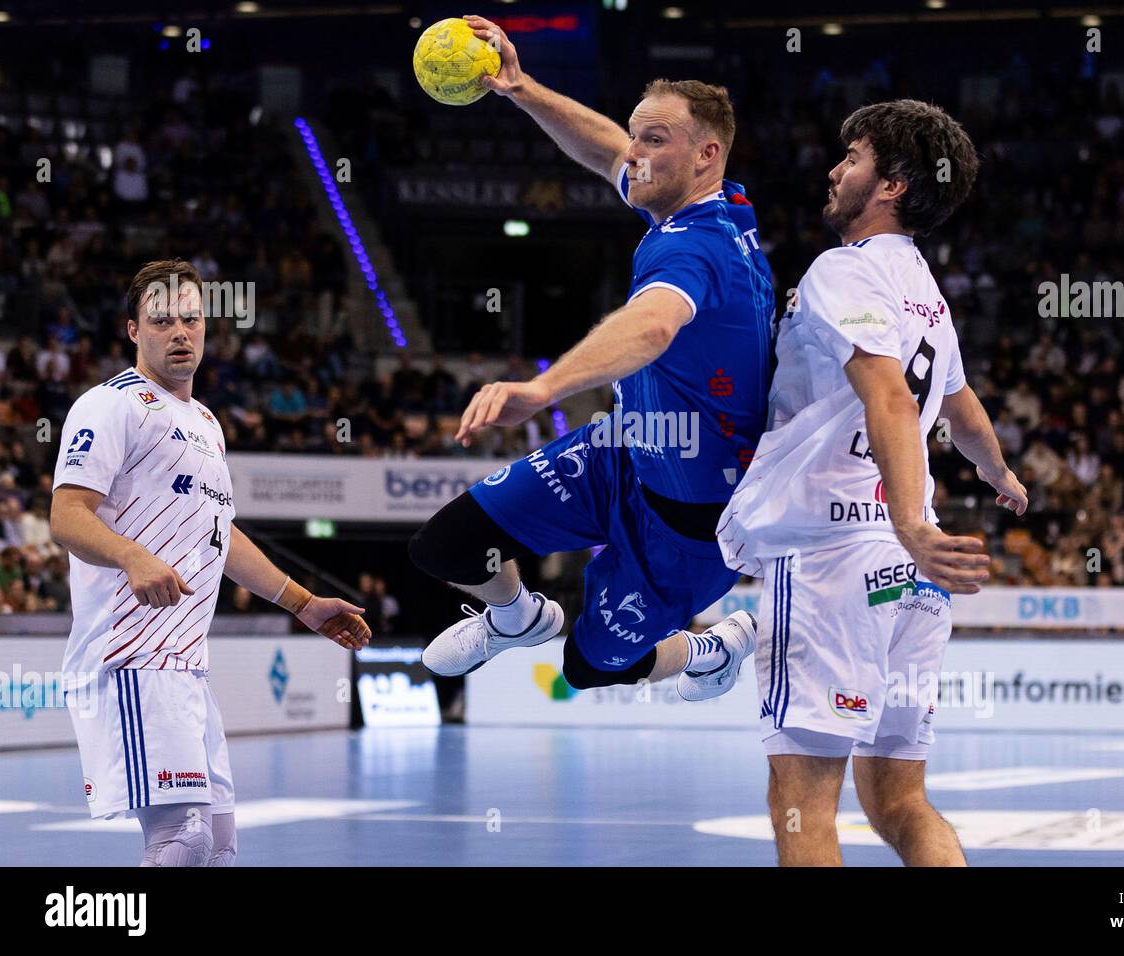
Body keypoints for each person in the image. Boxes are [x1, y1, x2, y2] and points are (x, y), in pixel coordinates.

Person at [410, 15, 775, 698]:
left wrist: (543, 389)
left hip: (690, 521)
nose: (633, 153)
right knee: (445, 548)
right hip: (625, 452)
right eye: (637, 134)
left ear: (707, 154)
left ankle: (709, 650)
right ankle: (516, 619)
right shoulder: (698, 207)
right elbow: (606, 148)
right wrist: (520, 89)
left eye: (654, 139)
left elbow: (652, 326)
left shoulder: (693, 247)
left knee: (587, 666)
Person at [716, 100, 1028, 867]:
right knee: (899, 800)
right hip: (913, 583)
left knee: (803, 802)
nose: (833, 169)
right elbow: (961, 409)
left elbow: (888, 393)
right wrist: (998, 473)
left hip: (836, 554)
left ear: (889, 183)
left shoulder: (841, 271)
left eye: (850, 157)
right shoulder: (929, 294)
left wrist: (910, 525)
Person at [50, 259, 371, 867]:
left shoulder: (205, 424)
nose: (179, 331)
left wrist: (304, 604)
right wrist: (133, 556)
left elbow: (219, 533)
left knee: (218, 848)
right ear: (132, 330)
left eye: (191, 319)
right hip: (129, 656)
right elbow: (66, 515)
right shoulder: (110, 405)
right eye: (162, 319)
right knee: (182, 837)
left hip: (188, 668)